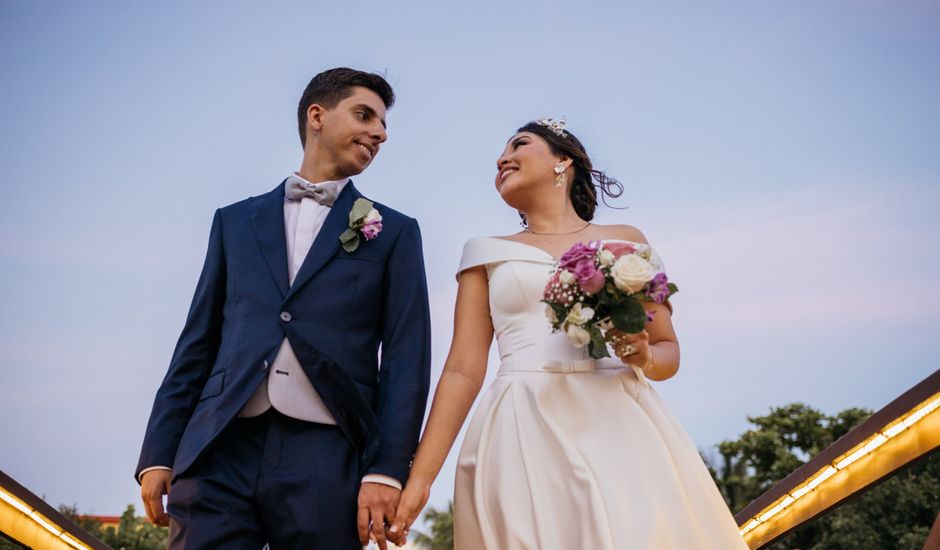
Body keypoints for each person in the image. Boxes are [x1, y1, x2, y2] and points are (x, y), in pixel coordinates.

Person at [388, 119, 747, 549]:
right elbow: (463, 371)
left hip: (620, 424)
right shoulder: (484, 253)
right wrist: (419, 481)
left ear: (564, 160)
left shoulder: (627, 243)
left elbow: (668, 353)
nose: (503, 158)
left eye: (519, 144)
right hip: (521, 426)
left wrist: (642, 355)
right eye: (500, 154)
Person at [135, 67, 431, 550]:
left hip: (329, 453)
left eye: (383, 125)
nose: (379, 133)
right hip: (218, 448)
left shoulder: (394, 232)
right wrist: (159, 452)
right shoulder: (234, 221)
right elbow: (198, 340)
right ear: (317, 115)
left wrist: (387, 470)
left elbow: (406, 360)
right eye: (364, 115)